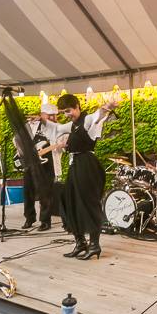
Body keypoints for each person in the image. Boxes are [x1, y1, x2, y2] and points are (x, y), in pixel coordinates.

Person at [50, 94, 117, 260]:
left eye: (69, 110)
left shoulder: (87, 120)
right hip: (76, 166)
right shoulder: (72, 125)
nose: (67, 114)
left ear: (77, 106)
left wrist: (106, 108)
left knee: (89, 202)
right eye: (64, 112)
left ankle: (94, 245)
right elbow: (57, 129)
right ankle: (80, 243)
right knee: (68, 202)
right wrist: (42, 120)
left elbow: (97, 116)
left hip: (87, 165)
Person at [15, 103, 62, 231]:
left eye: (55, 116)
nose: (53, 118)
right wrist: (21, 153)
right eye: (50, 115)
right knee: (28, 192)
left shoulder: (58, 128)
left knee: (46, 194)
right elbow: (17, 139)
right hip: (31, 163)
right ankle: (29, 218)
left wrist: (60, 144)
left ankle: (45, 221)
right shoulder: (31, 125)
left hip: (48, 164)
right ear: (42, 115)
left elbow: (61, 144)